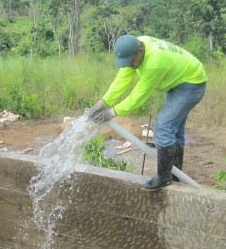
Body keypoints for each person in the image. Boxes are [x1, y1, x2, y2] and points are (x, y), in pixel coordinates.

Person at [88, 35, 207, 191]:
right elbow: (121, 82)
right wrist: (102, 103)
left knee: (164, 126)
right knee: (174, 129)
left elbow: (139, 96)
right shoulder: (132, 47)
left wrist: (112, 112)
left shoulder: (154, 62)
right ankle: (175, 174)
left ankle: (164, 177)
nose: (129, 65)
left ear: (140, 51)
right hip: (178, 79)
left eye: (131, 62)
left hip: (191, 83)